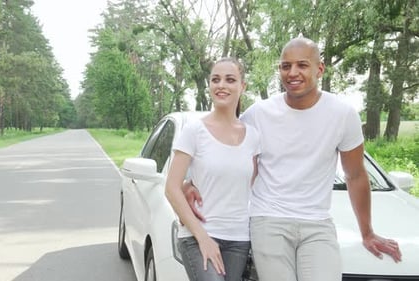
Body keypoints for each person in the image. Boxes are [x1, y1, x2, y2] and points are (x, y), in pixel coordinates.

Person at [184, 37, 402, 281]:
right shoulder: (259, 114)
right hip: (268, 220)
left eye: (302, 65)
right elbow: (223, 145)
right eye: (286, 66)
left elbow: (355, 174)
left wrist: (367, 232)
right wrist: (191, 181)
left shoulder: (343, 114)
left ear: (320, 69)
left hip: (317, 223)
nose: (293, 73)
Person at [165, 57, 261, 281]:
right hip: (199, 235)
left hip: (238, 239)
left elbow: (251, 186)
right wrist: (203, 238)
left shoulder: (253, 137)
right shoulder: (194, 130)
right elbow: (171, 187)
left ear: (242, 86)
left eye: (230, 80)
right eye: (215, 80)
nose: (221, 85)